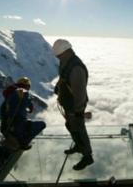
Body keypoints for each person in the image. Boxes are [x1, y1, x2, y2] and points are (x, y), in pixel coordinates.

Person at [52, 39, 93, 170]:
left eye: (58, 54)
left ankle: (88, 157)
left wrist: (78, 112)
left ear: (66, 52)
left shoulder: (76, 68)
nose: (57, 57)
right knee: (70, 125)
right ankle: (78, 146)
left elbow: (80, 93)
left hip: (75, 105)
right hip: (68, 102)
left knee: (78, 128)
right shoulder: (65, 62)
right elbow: (63, 78)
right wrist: (59, 87)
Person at [0, 77, 46, 150]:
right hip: (17, 125)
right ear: (26, 86)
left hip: (6, 128)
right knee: (41, 125)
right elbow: (23, 101)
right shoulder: (22, 92)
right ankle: (24, 143)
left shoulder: (8, 98)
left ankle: (19, 143)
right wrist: (30, 105)